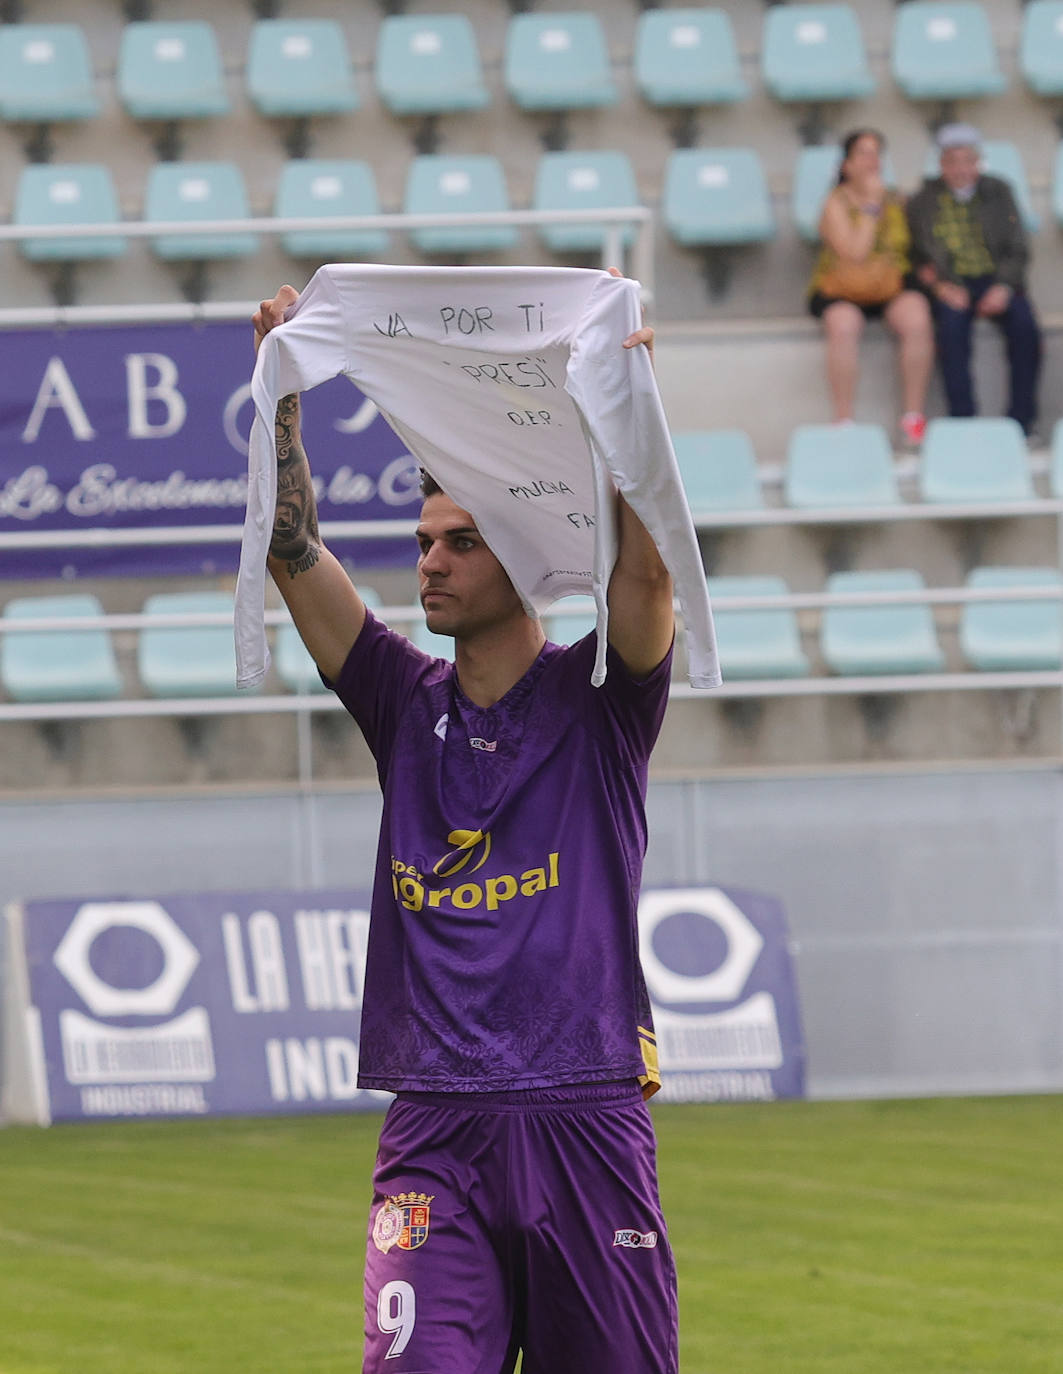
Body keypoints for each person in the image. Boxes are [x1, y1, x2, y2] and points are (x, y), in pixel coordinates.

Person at [254, 279, 680, 1373]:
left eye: (456, 543)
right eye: (421, 539)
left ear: (519, 553)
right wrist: (281, 403)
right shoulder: (401, 700)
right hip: (434, 1131)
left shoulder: (601, 708)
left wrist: (627, 416)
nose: (426, 562)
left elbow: (643, 574)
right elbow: (292, 554)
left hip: (583, 1115)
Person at [906, 123, 1042, 437]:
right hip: (952, 284)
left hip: (997, 279)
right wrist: (940, 286)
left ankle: (1022, 422)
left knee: (1025, 328)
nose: (960, 169)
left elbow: (1018, 248)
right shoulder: (922, 202)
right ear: (941, 165)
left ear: (978, 163)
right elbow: (917, 257)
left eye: (967, 161)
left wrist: (1004, 286)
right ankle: (963, 423)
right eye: (952, 161)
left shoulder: (999, 191)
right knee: (951, 333)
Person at [808, 128, 934, 445]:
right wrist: (870, 207)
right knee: (844, 324)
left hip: (887, 288)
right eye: (863, 153)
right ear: (846, 164)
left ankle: (913, 419)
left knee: (917, 316)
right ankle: (844, 418)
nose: (871, 160)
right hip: (843, 290)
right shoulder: (834, 204)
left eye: (876, 153)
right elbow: (854, 253)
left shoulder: (897, 201)